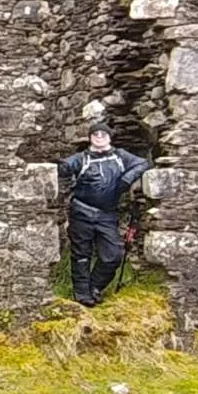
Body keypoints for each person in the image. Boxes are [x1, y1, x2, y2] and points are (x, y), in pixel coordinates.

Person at [57, 121, 149, 307]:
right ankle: (82, 295)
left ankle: (94, 286)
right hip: (82, 211)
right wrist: (62, 167)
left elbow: (143, 163)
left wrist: (126, 179)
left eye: (103, 134)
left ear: (109, 137)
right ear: (90, 137)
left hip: (107, 214)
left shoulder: (120, 156)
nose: (99, 137)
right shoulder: (82, 158)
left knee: (113, 255)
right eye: (95, 134)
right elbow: (65, 166)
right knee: (81, 254)